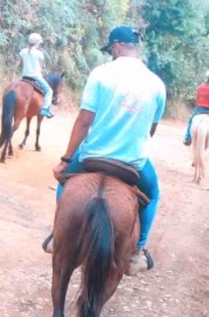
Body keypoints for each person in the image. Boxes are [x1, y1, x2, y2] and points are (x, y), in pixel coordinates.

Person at [46, 25, 166, 270]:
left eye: (111, 48)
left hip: (93, 155)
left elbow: (84, 120)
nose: (111, 52)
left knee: (63, 181)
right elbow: (149, 131)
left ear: (116, 46)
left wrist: (66, 160)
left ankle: (59, 233)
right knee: (152, 194)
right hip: (133, 160)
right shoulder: (156, 84)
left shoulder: (101, 74)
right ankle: (137, 251)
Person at [183, 68, 209, 154]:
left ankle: (187, 138)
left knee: (191, 121)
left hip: (200, 109)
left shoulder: (200, 87)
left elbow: (197, 100)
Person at [18, 32, 55, 118]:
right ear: (37, 42)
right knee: (49, 91)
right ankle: (45, 109)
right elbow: (40, 67)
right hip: (36, 77)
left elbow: (22, 64)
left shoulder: (23, 52)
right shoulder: (39, 53)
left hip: (24, 76)